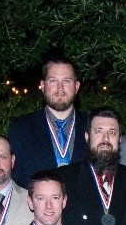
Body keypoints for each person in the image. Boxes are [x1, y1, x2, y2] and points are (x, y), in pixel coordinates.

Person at [7, 56, 89, 185]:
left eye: (66, 81)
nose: (60, 88)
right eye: (53, 81)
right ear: (43, 86)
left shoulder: (93, 128)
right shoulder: (20, 129)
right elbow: (15, 182)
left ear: (77, 86)